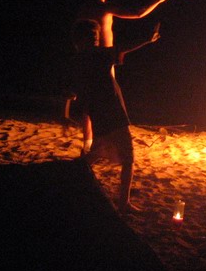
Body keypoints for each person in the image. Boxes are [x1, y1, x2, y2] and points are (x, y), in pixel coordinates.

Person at [69, 18, 161, 213]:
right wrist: (147, 39)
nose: (96, 37)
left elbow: (76, 90)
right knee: (128, 158)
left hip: (99, 112)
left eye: (96, 35)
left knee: (96, 153)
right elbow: (123, 47)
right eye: (92, 35)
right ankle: (123, 203)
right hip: (111, 112)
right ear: (81, 39)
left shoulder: (78, 60)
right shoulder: (97, 56)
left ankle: (70, 180)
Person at [75, 0, 172, 153]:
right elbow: (138, 13)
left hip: (87, 60)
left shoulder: (83, 9)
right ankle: (103, 143)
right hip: (103, 61)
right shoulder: (103, 7)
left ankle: (88, 144)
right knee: (107, 103)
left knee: (90, 103)